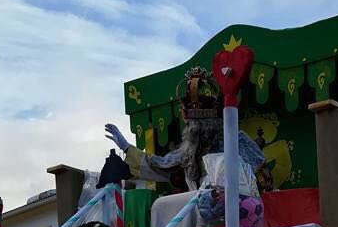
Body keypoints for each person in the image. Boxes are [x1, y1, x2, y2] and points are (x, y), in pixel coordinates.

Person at [105, 66, 264, 193]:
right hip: (199, 209)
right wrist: (126, 147)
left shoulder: (235, 139)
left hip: (237, 208)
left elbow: (253, 170)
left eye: (192, 124)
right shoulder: (189, 150)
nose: (189, 129)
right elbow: (160, 165)